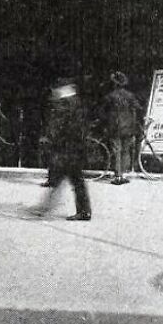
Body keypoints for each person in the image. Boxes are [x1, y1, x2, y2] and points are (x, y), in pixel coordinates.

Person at [31, 77, 91, 221]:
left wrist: (51, 138)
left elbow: (60, 126)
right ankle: (82, 211)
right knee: (73, 180)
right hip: (75, 148)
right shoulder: (77, 103)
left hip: (68, 148)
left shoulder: (65, 104)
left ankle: (46, 208)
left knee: (67, 179)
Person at [104, 71, 140, 185]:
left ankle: (117, 176)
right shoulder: (130, 96)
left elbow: (104, 111)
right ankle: (123, 175)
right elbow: (137, 107)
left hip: (115, 127)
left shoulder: (110, 96)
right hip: (128, 128)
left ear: (114, 84)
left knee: (116, 151)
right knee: (125, 152)